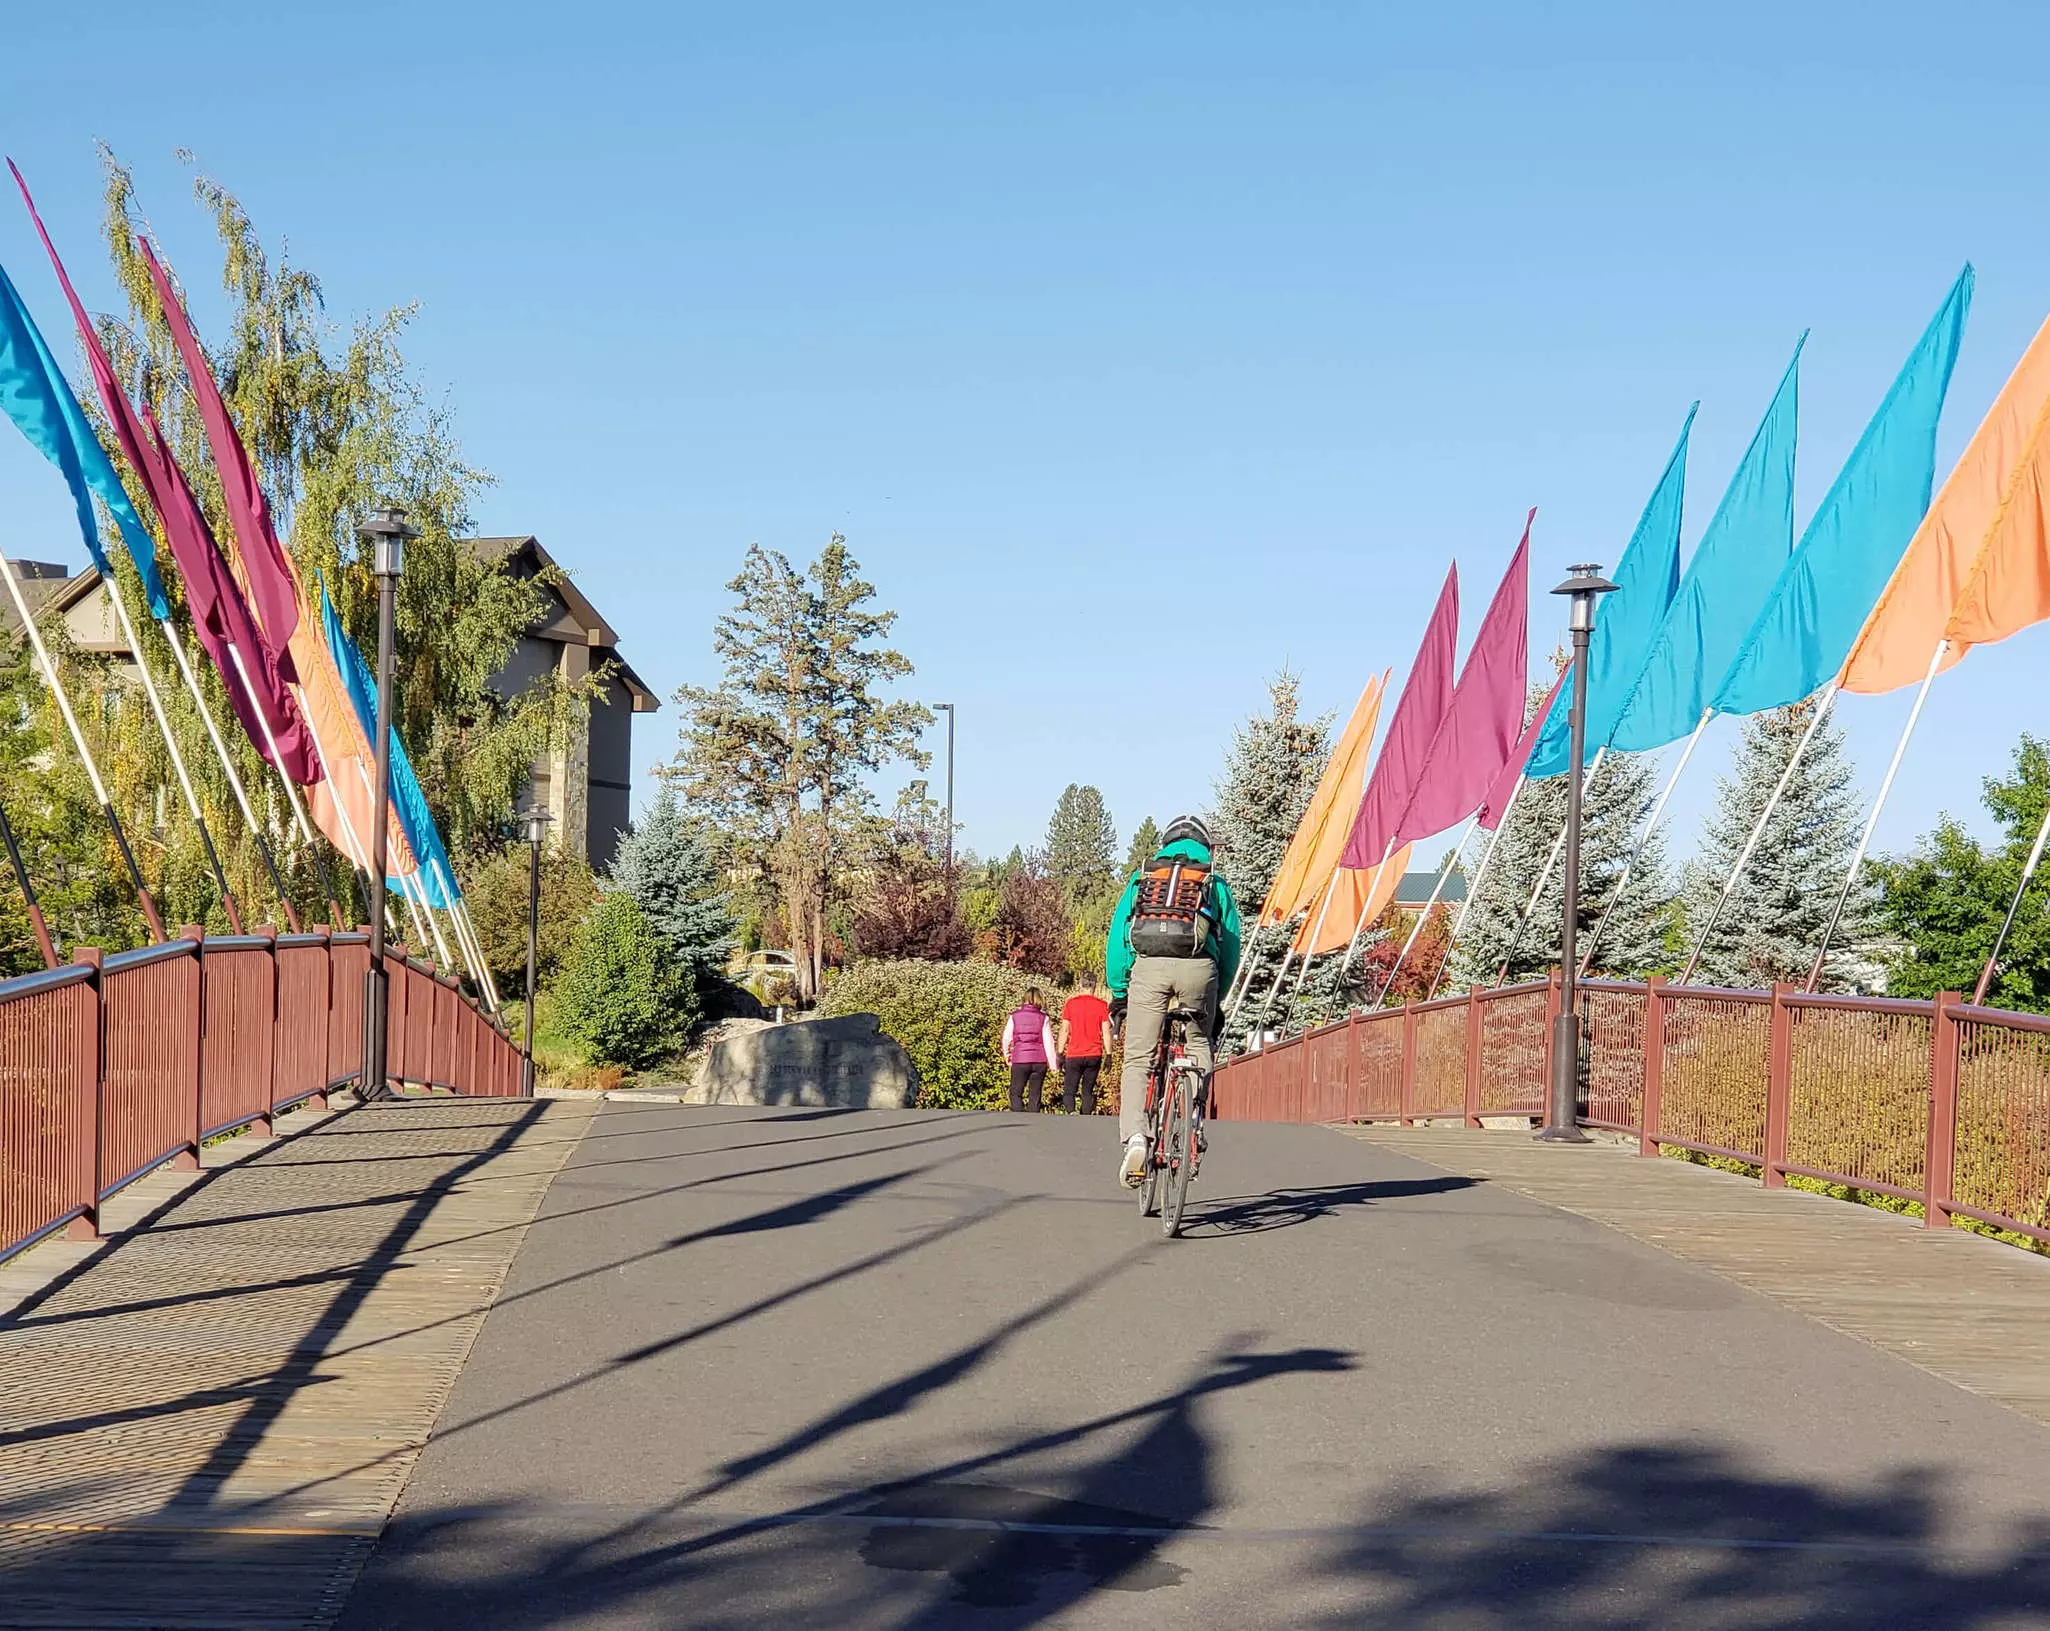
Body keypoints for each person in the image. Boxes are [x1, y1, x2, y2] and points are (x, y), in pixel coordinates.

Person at [1104, 815, 1242, 1186]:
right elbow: (1230, 947)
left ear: (1165, 843)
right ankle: (1192, 1124)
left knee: (1139, 1057)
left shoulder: (1145, 876)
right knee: (1198, 1044)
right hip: (1199, 969)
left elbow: (1119, 938)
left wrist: (1119, 992)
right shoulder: (1213, 880)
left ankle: (1136, 1137)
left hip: (1149, 970)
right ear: (1205, 845)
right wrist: (1217, 998)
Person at [1058, 977, 1114, 1115]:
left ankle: (1071, 1111)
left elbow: (1064, 1030)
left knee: (1070, 1089)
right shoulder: (1102, 1005)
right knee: (1087, 1090)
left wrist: (1059, 1052)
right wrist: (1109, 1054)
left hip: (1074, 1052)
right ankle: (1086, 1115)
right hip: (1094, 1053)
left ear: (1080, 985)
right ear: (1094, 986)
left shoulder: (1071, 1004)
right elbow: (1106, 1032)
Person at [1001, 989, 1060, 1112]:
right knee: (1035, 1095)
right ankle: (1033, 1121)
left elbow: (1006, 1038)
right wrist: (1053, 1065)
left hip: (1020, 1059)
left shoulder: (1014, 1016)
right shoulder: (1043, 1018)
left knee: (1015, 1093)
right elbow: (1048, 1042)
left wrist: (1007, 1055)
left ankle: (1019, 1117)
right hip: (1039, 1061)